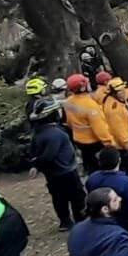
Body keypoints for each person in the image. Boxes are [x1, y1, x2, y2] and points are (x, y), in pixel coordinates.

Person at [28, 97, 86, 230]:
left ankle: (65, 221)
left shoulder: (38, 133)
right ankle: (80, 220)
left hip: (52, 174)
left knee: (59, 198)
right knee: (77, 196)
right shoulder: (55, 134)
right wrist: (38, 164)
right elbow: (49, 155)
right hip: (66, 171)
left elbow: (32, 152)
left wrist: (35, 165)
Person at [64, 74, 113, 174]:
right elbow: (100, 128)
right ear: (82, 87)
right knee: (100, 169)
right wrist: (109, 143)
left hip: (79, 140)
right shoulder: (90, 105)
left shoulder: (68, 102)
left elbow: (68, 122)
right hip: (94, 142)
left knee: (89, 166)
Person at [101, 77, 128, 179]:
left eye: (123, 89)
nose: (124, 92)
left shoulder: (119, 97)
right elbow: (118, 129)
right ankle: (127, 179)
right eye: (121, 91)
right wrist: (126, 143)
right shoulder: (113, 109)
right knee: (125, 165)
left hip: (127, 138)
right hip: (121, 144)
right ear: (114, 93)